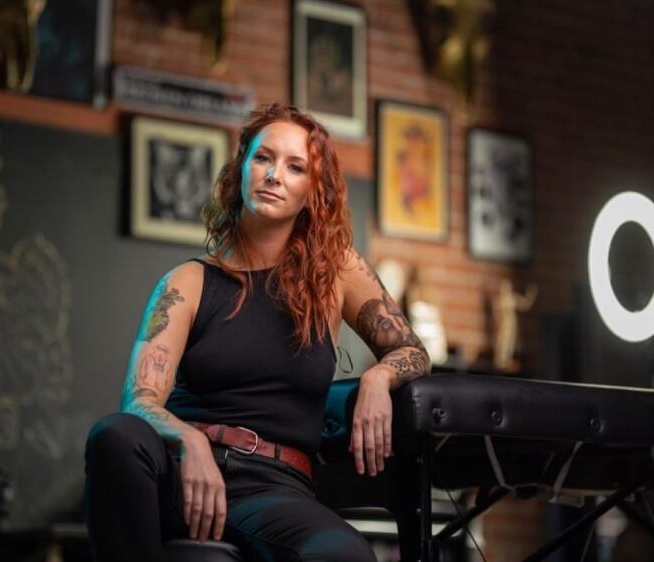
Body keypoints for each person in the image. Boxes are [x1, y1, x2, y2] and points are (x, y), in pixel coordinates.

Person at [84, 103, 431, 562]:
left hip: (272, 488)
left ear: (312, 190)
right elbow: (140, 400)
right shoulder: (186, 282)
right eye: (263, 158)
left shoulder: (336, 274)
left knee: (344, 555)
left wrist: (377, 379)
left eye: (295, 167)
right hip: (183, 477)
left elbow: (411, 350)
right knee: (115, 435)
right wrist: (190, 442)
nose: (274, 175)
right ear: (241, 167)